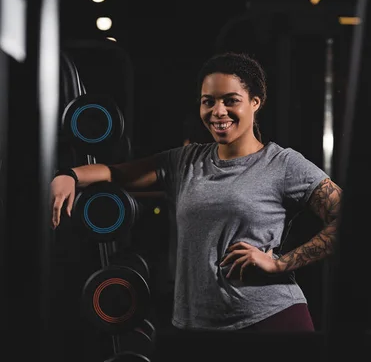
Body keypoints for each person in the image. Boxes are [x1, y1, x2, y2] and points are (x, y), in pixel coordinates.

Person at [50, 52, 342, 332]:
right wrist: (70, 175)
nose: (218, 111)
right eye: (208, 101)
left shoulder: (282, 164)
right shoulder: (186, 161)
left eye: (231, 101)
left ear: (255, 102)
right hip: (196, 327)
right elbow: (117, 172)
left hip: (269, 321)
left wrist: (279, 263)